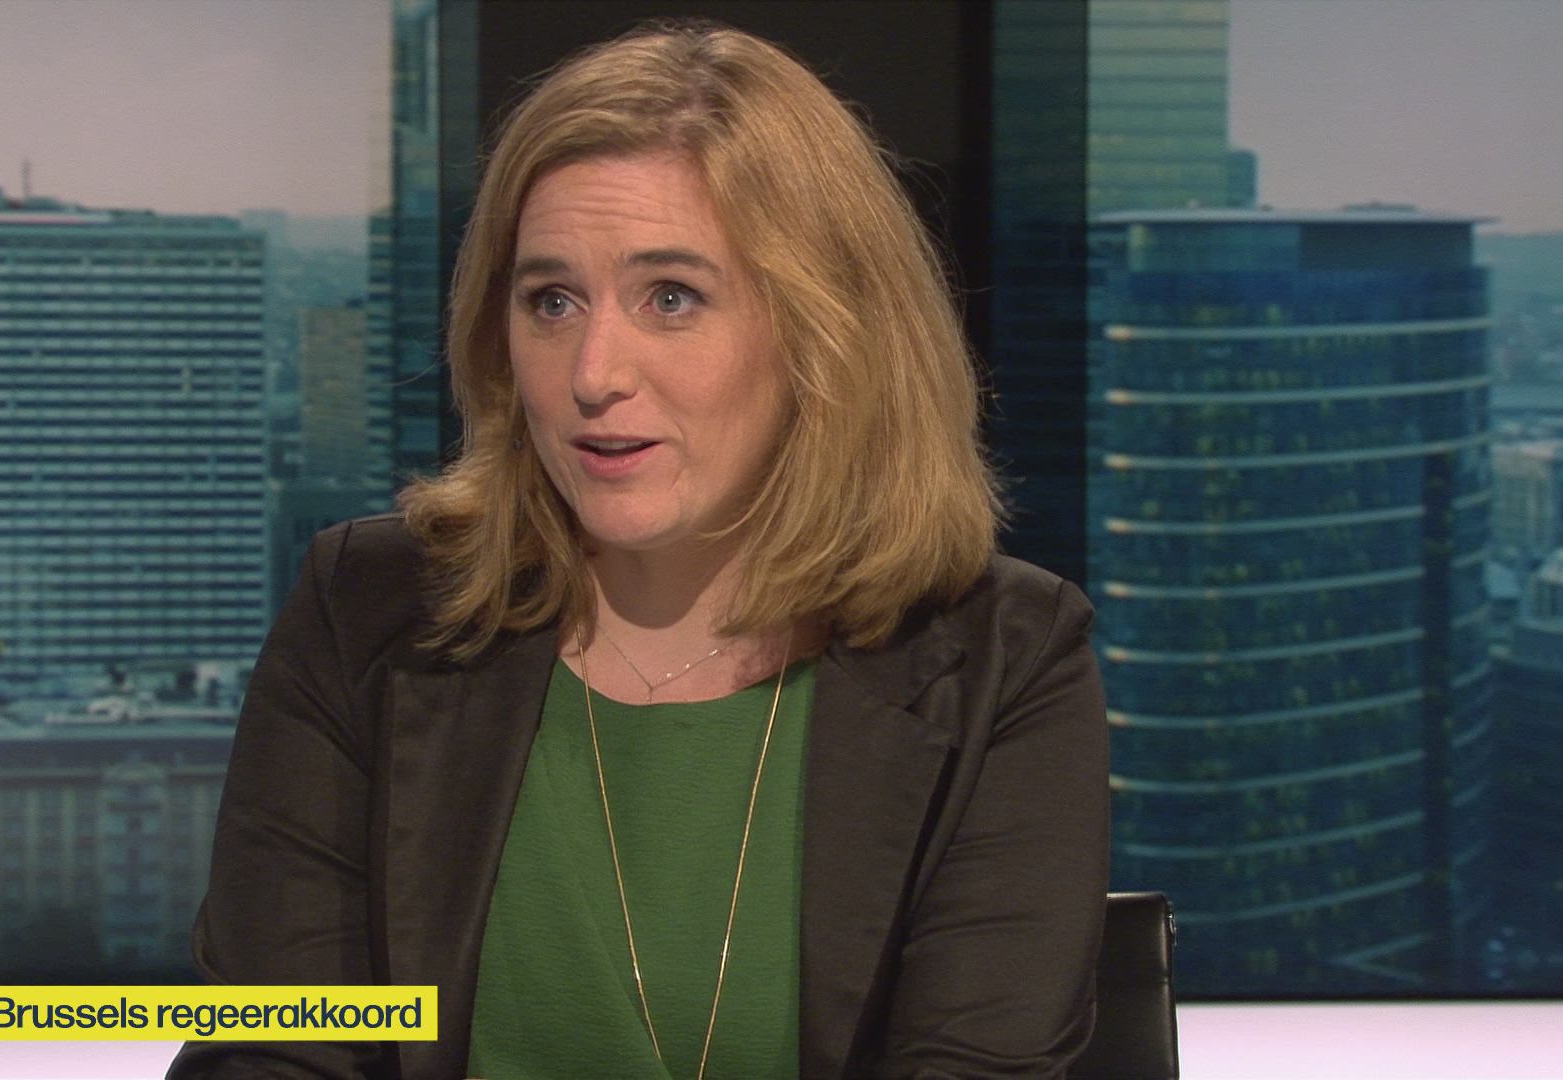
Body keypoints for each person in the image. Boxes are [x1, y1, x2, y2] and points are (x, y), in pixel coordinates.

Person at [168, 20, 1108, 1080]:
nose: (592, 372)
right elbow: (275, 1047)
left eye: (671, 298)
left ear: (825, 332)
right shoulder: (369, 611)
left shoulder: (1001, 660)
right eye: (551, 300)